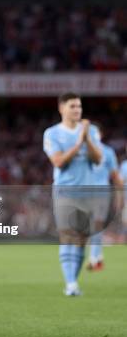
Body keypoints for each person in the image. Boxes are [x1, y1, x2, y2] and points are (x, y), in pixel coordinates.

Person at [43, 93, 102, 296]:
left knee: (82, 239)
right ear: (62, 108)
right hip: (65, 191)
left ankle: (73, 281)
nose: (77, 110)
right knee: (68, 236)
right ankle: (70, 284)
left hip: (89, 191)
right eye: (72, 106)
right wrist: (78, 143)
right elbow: (58, 162)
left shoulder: (91, 131)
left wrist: (86, 138)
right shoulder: (52, 134)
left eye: (79, 106)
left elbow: (97, 159)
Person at [87, 125, 123, 271]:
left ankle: (94, 258)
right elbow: (116, 177)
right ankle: (98, 256)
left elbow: (115, 176)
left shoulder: (89, 152)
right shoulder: (106, 152)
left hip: (95, 192)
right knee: (95, 225)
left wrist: (119, 195)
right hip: (97, 192)